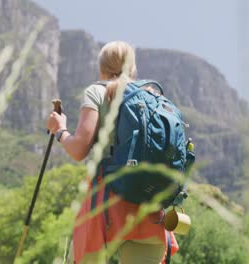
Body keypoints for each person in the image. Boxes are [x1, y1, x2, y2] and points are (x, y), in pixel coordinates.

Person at [46, 41, 178, 263]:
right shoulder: (152, 95)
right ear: (132, 69)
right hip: (149, 206)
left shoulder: (97, 92)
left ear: (101, 67)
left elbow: (79, 150)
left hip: (105, 205)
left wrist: (60, 130)